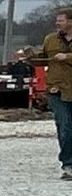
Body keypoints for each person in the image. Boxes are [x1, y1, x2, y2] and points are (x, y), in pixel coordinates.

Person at [46, 8, 72, 180]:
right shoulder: (50, 39)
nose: (57, 23)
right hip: (57, 90)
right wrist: (30, 56)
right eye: (57, 20)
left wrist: (68, 57)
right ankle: (68, 164)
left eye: (61, 20)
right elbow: (42, 57)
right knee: (65, 126)